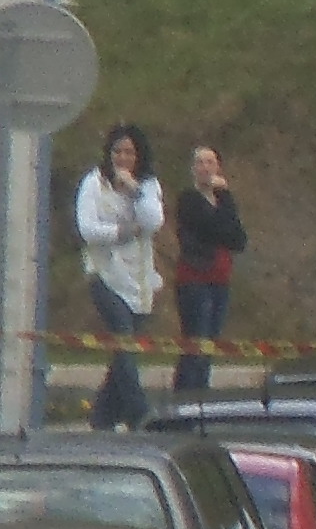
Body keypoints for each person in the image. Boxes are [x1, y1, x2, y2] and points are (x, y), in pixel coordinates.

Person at [72, 123, 166, 429]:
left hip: (138, 280)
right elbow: (87, 229)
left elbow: (154, 221)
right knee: (123, 340)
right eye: (117, 151)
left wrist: (135, 191)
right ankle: (139, 414)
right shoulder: (94, 184)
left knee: (123, 352)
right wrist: (121, 232)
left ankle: (102, 418)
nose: (122, 158)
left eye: (129, 152)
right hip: (105, 276)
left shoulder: (148, 186)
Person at [172, 144, 246, 397]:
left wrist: (225, 198)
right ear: (193, 169)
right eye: (200, 163)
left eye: (210, 162)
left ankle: (200, 398)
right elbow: (210, 227)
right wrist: (223, 216)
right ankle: (186, 399)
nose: (206, 168)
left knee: (211, 344)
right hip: (195, 279)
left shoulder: (224, 200)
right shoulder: (188, 200)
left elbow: (238, 239)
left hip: (220, 280)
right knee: (197, 343)